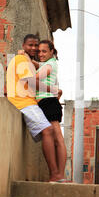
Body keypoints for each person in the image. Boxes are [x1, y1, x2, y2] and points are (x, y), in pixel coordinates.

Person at [6, 34, 64, 182]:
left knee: (51, 132)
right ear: (24, 46)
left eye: (35, 46)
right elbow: (31, 81)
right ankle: (55, 174)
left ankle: (56, 174)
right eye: (30, 45)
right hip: (23, 102)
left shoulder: (28, 62)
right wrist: (52, 90)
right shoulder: (21, 60)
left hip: (30, 102)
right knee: (48, 130)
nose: (34, 48)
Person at [35, 40, 67, 182]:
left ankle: (59, 175)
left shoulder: (50, 64)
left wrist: (26, 67)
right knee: (57, 139)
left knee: (58, 139)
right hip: (50, 102)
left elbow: (36, 77)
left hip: (48, 102)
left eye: (44, 51)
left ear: (51, 52)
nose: (40, 54)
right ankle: (59, 175)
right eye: (39, 51)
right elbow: (40, 66)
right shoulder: (50, 62)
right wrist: (31, 61)